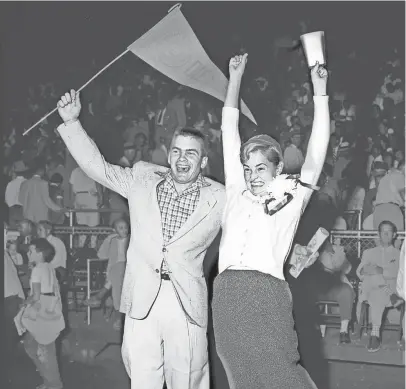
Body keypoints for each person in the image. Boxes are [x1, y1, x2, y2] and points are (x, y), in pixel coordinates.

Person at [56, 89, 226, 389]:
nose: (182, 158)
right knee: (143, 381)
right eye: (176, 150)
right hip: (142, 302)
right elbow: (99, 169)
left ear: (203, 161)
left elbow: (251, 226)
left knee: (188, 381)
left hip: (186, 305)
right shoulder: (142, 177)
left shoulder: (220, 197)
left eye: (191, 153)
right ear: (168, 151)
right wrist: (72, 124)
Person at [212, 54, 329, 389]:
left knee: (283, 376)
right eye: (247, 169)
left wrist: (320, 91)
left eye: (260, 168)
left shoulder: (292, 197)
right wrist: (234, 79)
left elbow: (317, 151)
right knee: (241, 380)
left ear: (277, 169)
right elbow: (227, 130)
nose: (252, 176)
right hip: (227, 294)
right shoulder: (237, 189)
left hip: (266, 294)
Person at [20, 238, 65, 389]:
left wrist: (24, 303)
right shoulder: (49, 267)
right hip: (50, 311)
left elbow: (36, 296)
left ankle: (54, 384)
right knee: (32, 345)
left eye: (31, 250)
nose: (28, 253)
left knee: (44, 351)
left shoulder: (37, 269)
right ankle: (49, 381)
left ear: (40, 254)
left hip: (40, 313)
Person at [356, 221, 401, 352]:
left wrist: (379, 270)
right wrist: (367, 271)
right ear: (378, 234)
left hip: (389, 289)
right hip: (372, 290)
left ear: (394, 235)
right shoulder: (368, 252)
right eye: (383, 231)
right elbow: (359, 272)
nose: (386, 234)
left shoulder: (399, 254)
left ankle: (375, 334)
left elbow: (399, 274)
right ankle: (374, 334)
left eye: (389, 232)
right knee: (375, 283)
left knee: (377, 289)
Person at [85, 218, 130, 331]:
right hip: (115, 274)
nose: (124, 230)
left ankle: (99, 296)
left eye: (126, 227)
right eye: (120, 228)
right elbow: (101, 256)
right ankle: (118, 318)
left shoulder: (132, 240)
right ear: (114, 230)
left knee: (119, 269)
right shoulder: (113, 241)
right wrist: (108, 239)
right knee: (116, 290)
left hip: (129, 271)